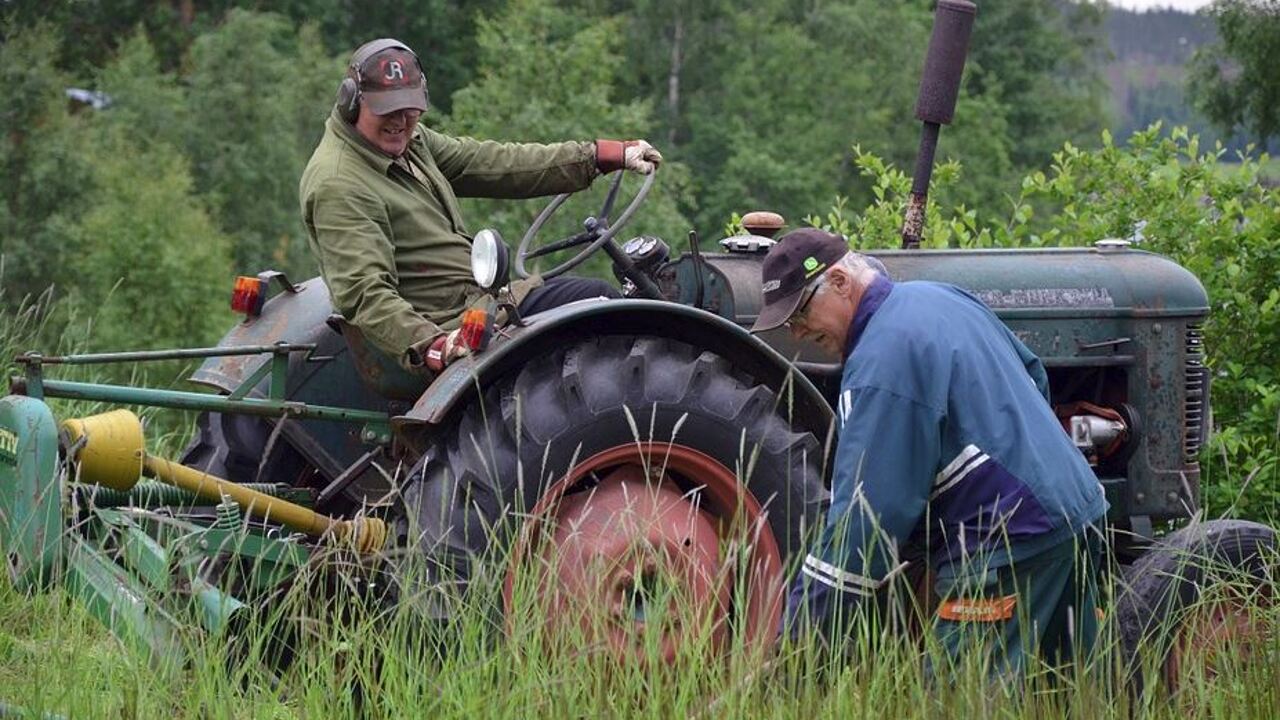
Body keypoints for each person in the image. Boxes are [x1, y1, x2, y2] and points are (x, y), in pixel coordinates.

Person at [751, 228, 1108, 674]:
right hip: (1079, 511)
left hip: (1009, 543)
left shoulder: (881, 364)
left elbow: (866, 519)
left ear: (841, 282)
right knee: (1068, 690)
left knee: (955, 698)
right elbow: (1033, 378)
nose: (799, 333)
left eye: (801, 311)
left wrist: (799, 641)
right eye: (789, 324)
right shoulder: (941, 297)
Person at [300, 38, 662, 373]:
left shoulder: (411, 142)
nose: (400, 121)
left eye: (409, 109)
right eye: (386, 110)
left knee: (596, 301)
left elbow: (491, 163)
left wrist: (597, 156)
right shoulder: (339, 182)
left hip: (480, 304)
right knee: (606, 312)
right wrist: (433, 345)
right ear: (352, 102)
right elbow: (365, 294)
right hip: (447, 327)